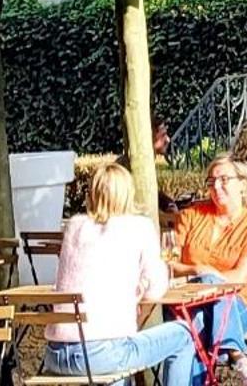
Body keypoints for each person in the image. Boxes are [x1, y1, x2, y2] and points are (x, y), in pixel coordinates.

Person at [49, 159, 196, 386]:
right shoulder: (139, 226)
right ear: (128, 193)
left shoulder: (74, 226)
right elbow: (157, 289)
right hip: (100, 354)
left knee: (119, 348)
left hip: (56, 354)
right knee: (184, 335)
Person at [172, 155, 247, 384]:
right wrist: (197, 270)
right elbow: (169, 262)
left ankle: (230, 349)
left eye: (224, 179)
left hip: (235, 308)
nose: (216, 186)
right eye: (211, 181)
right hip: (186, 302)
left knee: (192, 327)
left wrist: (206, 278)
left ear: (243, 184)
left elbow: (239, 278)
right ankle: (238, 357)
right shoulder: (190, 216)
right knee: (195, 317)